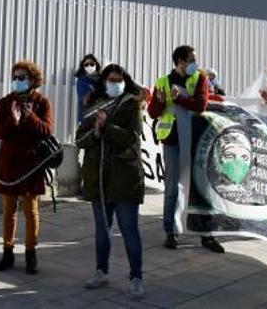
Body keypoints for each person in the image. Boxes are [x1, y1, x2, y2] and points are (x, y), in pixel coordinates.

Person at [76, 64, 145, 299]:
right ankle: (101, 270)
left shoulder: (132, 104)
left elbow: (131, 138)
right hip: (99, 179)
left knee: (129, 230)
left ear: (125, 81)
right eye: (110, 80)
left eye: (119, 79)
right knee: (102, 230)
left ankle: (136, 276)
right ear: (103, 82)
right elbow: (80, 139)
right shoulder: (94, 105)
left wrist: (107, 128)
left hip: (124, 178)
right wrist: (95, 132)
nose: (114, 83)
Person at [147, 45, 224, 253]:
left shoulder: (199, 79)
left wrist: (179, 98)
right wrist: (161, 102)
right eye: (191, 59)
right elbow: (152, 112)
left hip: (196, 140)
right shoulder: (162, 82)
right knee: (172, 186)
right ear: (180, 61)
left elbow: (201, 105)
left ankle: (207, 234)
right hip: (172, 140)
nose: (195, 64)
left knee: (201, 186)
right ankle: (170, 232)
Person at [0, 60, 53, 274]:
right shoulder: (6, 101)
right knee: (9, 211)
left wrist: (30, 117)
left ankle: (30, 253)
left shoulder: (41, 101)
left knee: (31, 211)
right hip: (9, 163)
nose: (17, 81)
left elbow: (46, 130)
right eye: (14, 77)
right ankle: (7, 252)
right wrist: (13, 120)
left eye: (22, 77)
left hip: (31, 163)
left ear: (33, 80)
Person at [75, 54, 101, 124]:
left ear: (96, 65)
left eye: (92, 64)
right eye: (86, 65)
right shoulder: (81, 81)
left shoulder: (101, 80)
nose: (89, 66)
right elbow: (84, 100)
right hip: (86, 117)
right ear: (83, 67)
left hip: (101, 117)